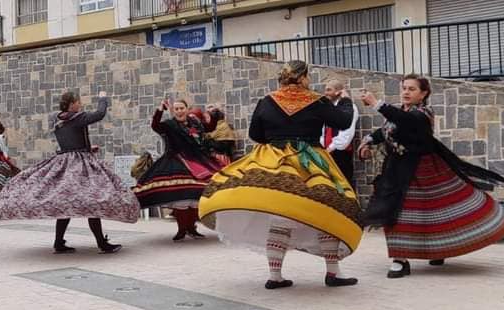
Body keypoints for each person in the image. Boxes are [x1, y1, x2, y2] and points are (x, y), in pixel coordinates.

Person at [199, 61, 362, 290]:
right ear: (303, 77)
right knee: (328, 213)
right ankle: (333, 272)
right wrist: (344, 100)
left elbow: (256, 134)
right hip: (310, 163)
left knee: (281, 218)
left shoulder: (267, 100)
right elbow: (344, 121)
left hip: (274, 160)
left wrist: (278, 138)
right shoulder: (316, 100)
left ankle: (275, 276)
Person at [357, 74, 504, 278]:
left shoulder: (424, 113)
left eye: (412, 89)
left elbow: (406, 122)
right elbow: (387, 129)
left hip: (424, 169)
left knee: (436, 211)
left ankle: (440, 249)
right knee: (396, 212)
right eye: (404, 88)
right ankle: (400, 259)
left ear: (423, 94)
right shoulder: (399, 112)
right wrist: (367, 141)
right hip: (396, 169)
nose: (406, 92)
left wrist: (377, 103)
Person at [0, 91, 138, 254]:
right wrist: (103, 98)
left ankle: (59, 243)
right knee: (93, 199)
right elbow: (99, 114)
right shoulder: (77, 117)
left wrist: (86, 147)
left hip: (64, 161)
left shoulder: (56, 119)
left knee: (65, 201)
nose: (80, 105)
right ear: (71, 104)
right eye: (78, 102)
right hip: (80, 165)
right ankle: (102, 244)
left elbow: (69, 139)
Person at [132, 99, 223, 242]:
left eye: (182, 108)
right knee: (182, 195)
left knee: (198, 195)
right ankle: (182, 230)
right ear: (173, 111)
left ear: (187, 109)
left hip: (198, 160)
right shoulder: (169, 125)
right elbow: (155, 126)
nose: (179, 111)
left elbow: (210, 127)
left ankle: (192, 228)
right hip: (176, 161)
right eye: (177, 109)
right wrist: (159, 110)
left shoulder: (195, 122)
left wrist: (215, 113)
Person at [321, 79, 359, 185]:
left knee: (343, 184)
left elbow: (347, 134)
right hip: (326, 152)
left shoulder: (350, 108)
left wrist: (331, 148)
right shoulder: (328, 108)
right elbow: (323, 130)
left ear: (338, 92)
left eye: (329, 90)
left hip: (340, 153)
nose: (325, 93)